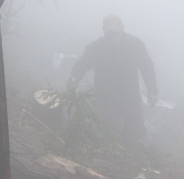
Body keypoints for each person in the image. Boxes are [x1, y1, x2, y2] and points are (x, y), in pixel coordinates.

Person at [68, 14, 158, 145]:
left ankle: (135, 158)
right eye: (109, 33)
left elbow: (147, 67)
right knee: (110, 131)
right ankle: (112, 159)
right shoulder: (96, 47)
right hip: (105, 96)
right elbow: (82, 65)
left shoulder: (135, 44)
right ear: (104, 31)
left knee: (137, 130)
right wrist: (73, 79)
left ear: (122, 28)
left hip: (130, 95)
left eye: (115, 33)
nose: (112, 37)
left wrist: (153, 91)